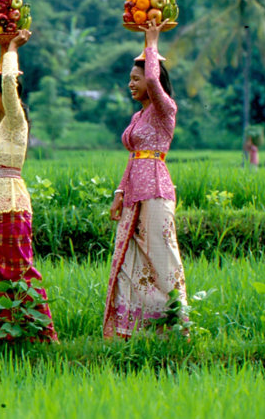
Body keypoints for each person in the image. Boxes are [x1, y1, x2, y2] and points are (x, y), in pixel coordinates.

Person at [0, 30, 58, 342]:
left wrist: (11, 48)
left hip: (13, 206)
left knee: (20, 270)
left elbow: (9, 82)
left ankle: (41, 333)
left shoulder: (16, 122)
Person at [103, 20, 188, 339]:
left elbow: (153, 77)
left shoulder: (166, 109)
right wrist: (119, 193)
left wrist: (151, 41)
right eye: (130, 79)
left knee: (161, 255)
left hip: (155, 190)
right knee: (129, 259)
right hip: (135, 193)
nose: (131, 83)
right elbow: (132, 156)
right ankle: (134, 330)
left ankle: (176, 324)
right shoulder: (137, 117)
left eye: (134, 78)